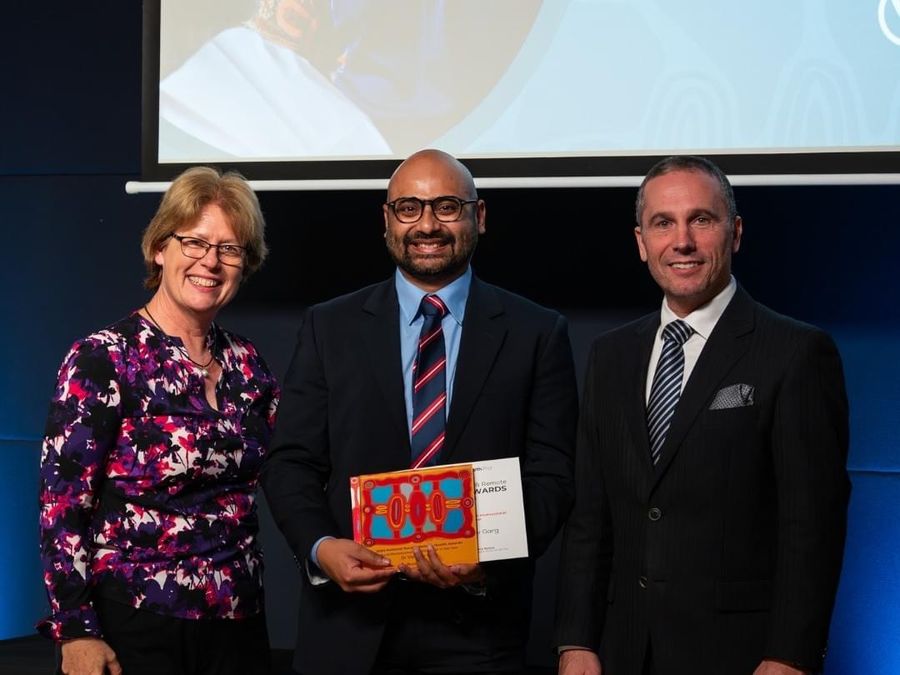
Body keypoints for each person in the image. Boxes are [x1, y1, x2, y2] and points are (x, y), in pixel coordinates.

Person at [261, 148, 578, 674]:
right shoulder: (328, 327)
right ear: (386, 221)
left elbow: (553, 477)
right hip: (347, 630)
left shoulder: (537, 332)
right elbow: (290, 462)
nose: (427, 224)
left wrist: (491, 562)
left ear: (479, 216)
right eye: (409, 208)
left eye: (447, 207)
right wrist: (321, 548)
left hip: (478, 635)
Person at [554, 155, 850, 675]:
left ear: (734, 233)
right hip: (621, 651)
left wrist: (790, 655)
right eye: (663, 223)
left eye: (701, 220)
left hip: (741, 655)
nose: (682, 241)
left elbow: (812, 525)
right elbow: (590, 518)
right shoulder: (610, 355)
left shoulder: (796, 352)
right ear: (642, 241)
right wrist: (575, 640)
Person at [38, 167, 280, 675]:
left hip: (238, 624)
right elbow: (62, 509)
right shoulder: (103, 358)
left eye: (230, 249)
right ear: (159, 249)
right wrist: (76, 631)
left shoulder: (249, 363)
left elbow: (287, 471)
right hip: (135, 622)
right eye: (193, 241)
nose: (209, 261)